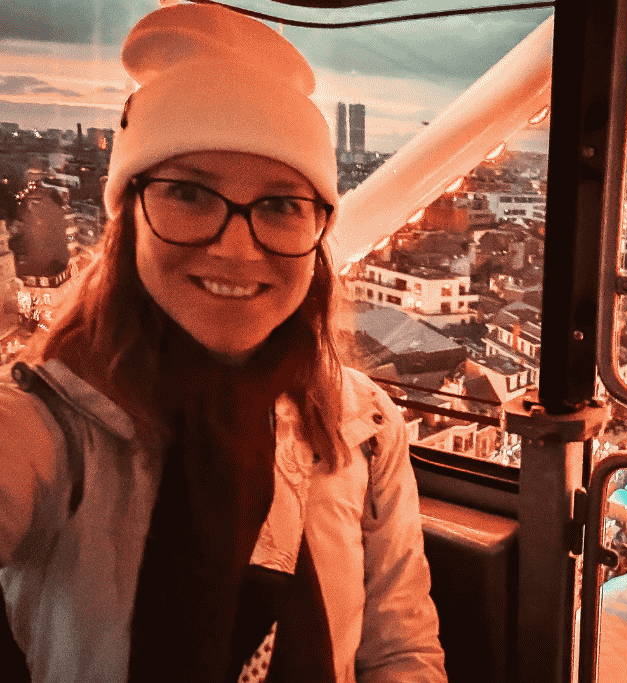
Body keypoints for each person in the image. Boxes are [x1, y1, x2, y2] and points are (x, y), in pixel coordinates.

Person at [0, 4, 446, 682]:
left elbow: (399, 652)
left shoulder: (368, 426)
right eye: (189, 193)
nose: (236, 247)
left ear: (317, 232)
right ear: (130, 217)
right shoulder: (51, 420)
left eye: (278, 205)